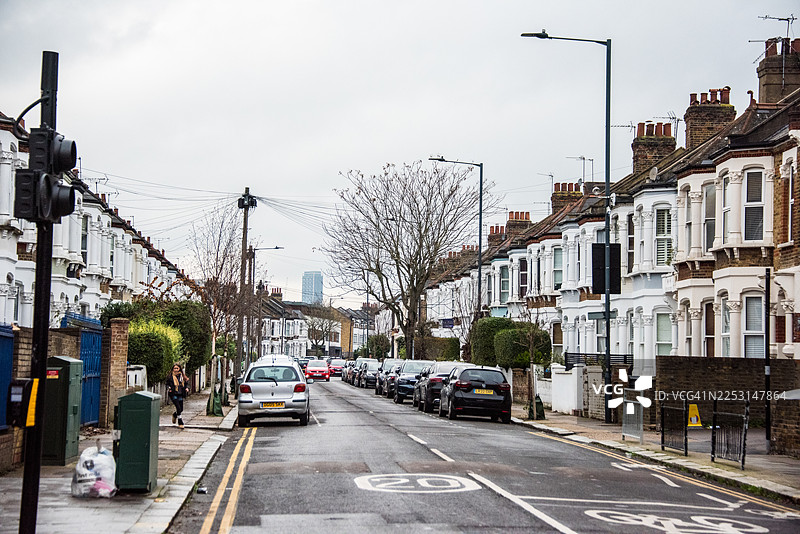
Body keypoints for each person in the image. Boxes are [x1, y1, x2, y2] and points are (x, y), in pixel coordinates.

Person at [166, 363, 189, 429]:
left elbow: (186, 383)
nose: (175, 370)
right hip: (173, 393)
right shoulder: (170, 376)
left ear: (179, 369)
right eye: (174, 368)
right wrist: (169, 388)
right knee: (178, 408)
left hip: (180, 393)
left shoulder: (182, 376)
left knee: (181, 409)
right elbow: (167, 384)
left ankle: (175, 415)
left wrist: (187, 388)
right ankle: (180, 422)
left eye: (177, 368)